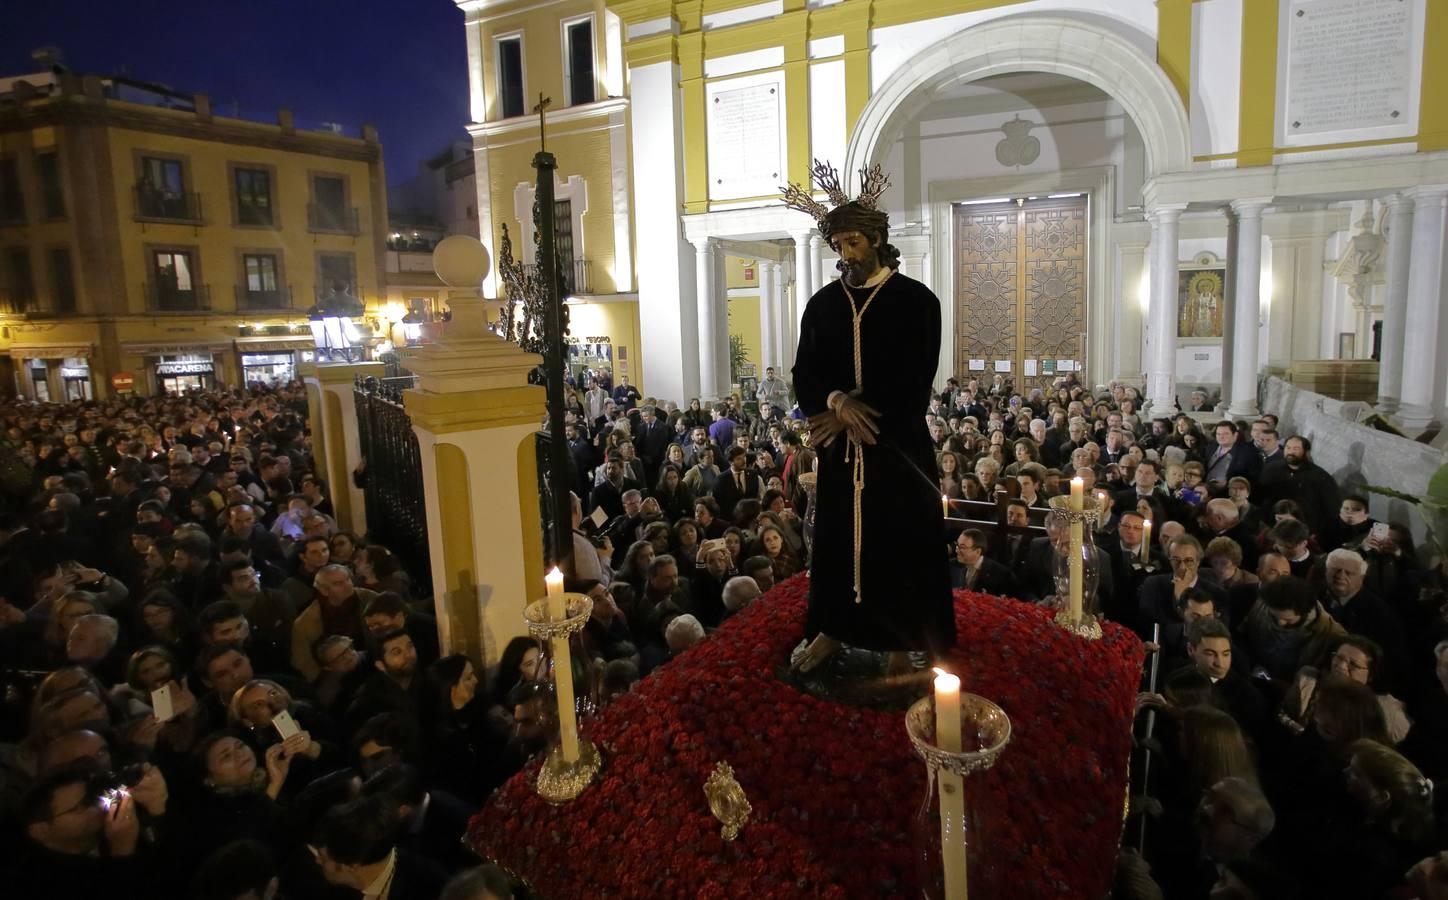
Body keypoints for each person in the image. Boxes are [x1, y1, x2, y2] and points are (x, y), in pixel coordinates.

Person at [785, 162, 955, 672]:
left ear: (878, 239)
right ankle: (833, 630)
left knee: (899, 541)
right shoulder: (821, 305)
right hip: (840, 454)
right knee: (836, 541)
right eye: (837, 244)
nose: (846, 253)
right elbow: (804, 371)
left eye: (854, 241)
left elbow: (914, 378)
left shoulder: (917, 302)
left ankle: (902, 642)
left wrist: (856, 412)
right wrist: (836, 405)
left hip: (896, 446)